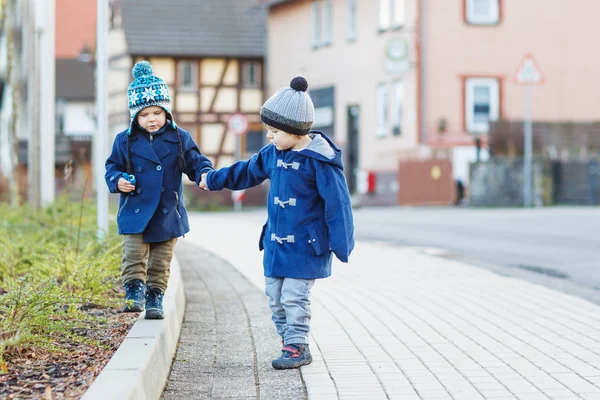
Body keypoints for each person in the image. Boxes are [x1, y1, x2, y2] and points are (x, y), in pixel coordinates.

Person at [199, 77, 354, 369]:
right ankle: (288, 342)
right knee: (275, 297)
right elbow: (245, 171)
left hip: (306, 246)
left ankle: (297, 346)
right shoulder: (273, 154)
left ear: (296, 132)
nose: (269, 137)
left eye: (274, 131)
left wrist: (341, 243)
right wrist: (213, 178)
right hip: (276, 244)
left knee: (295, 297)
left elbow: (338, 205)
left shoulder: (319, 161)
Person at [105, 61, 213, 319]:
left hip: (167, 211)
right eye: (144, 114)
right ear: (135, 116)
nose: (151, 119)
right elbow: (112, 168)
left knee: (161, 260)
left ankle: (155, 297)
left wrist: (205, 174)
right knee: (133, 254)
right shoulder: (125, 140)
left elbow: (196, 161)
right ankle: (133, 292)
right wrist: (118, 180)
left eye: (156, 112)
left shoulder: (179, 138)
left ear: (166, 111)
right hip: (135, 209)